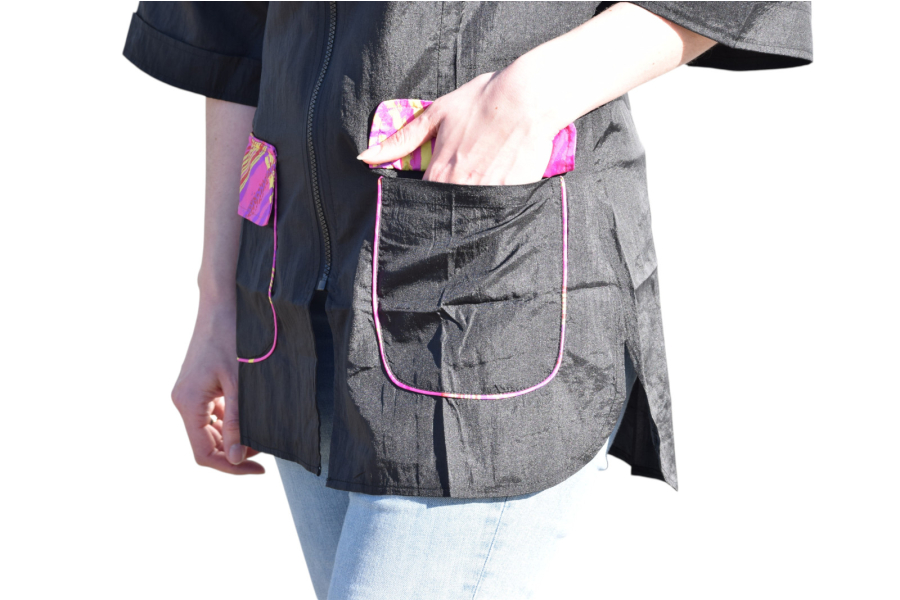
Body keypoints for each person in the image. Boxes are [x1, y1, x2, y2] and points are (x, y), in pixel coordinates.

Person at [124, 2, 812, 598]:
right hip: (298, 288)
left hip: (490, 279)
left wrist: (522, 101)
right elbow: (231, 34)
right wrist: (219, 300)